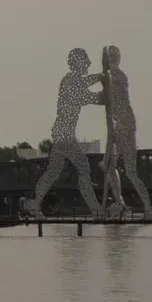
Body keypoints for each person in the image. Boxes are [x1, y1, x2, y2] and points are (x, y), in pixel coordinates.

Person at [32, 48, 104, 211]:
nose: (88, 63)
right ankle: (96, 209)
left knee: (53, 172)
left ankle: (34, 204)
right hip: (64, 133)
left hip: (62, 133)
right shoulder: (70, 81)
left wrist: (102, 82)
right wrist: (102, 83)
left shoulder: (74, 81)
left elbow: (89, 90)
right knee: (83, 167)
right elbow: (89, 96)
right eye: (85, 61)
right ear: (78, 63)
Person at [101, 45, 152, 213]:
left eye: (109, 57)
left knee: (125, 170)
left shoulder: (114, 76)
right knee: (121, 169)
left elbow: (107, 86)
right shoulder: (118, 76)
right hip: (125, 123)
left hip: (124, 123)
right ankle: (123, 203)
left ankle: (131, 204)